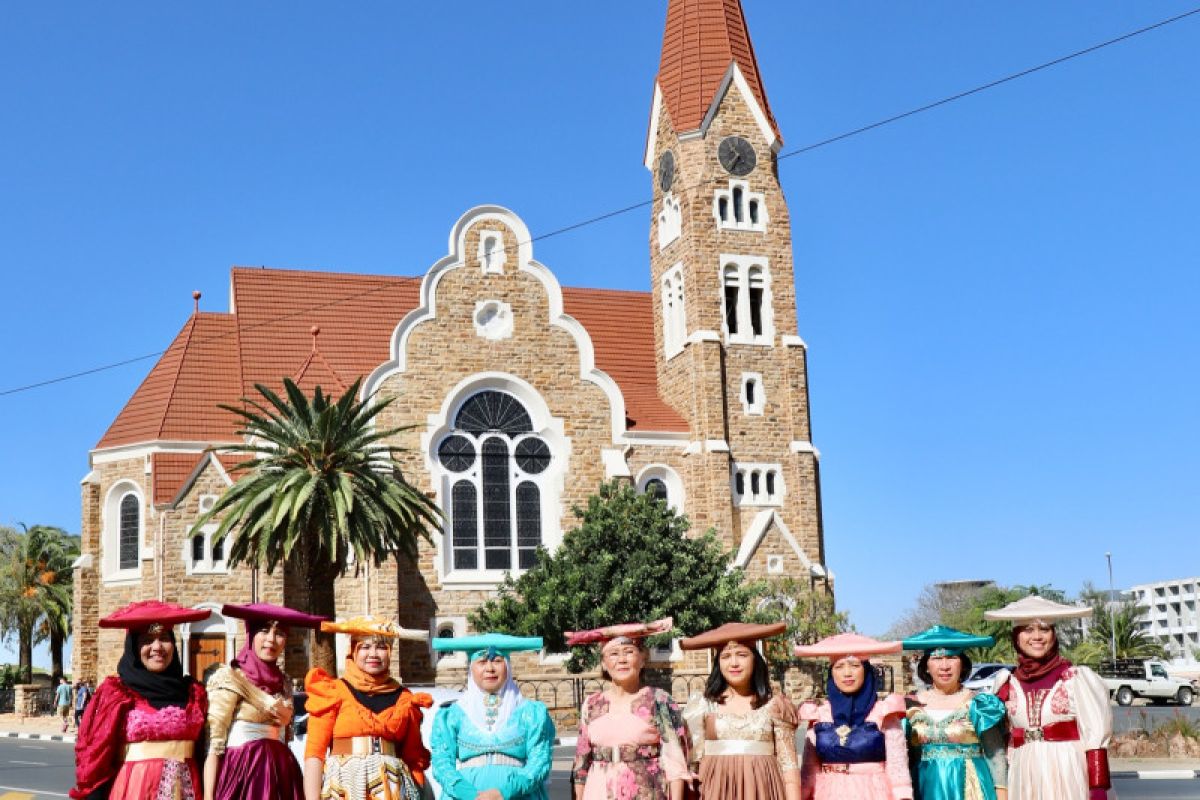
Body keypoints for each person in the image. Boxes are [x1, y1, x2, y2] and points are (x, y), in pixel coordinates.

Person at [71, 600, 211, 800]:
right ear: (134, 648)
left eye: (164, 638)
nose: (157, 647)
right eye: (147, 640)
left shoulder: (193, 693)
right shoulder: (116, 694)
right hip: (133, 791)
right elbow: (96, 759)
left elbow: (204, 754)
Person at [983, 595, 1113, 800]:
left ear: (1053, 636)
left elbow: (1095, 734)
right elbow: (1001, 738)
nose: (1037, 636)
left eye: (1044, 629)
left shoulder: (1075, 678)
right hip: (1023, 774)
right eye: (1027, 629)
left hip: (1067, 771)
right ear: (1016, 637)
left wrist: (1098, 787)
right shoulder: (1006, 682)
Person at [203, 602, 328, 800]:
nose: (271, 639)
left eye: (279, 633)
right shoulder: (231, 678)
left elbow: (286, 737)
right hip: (243, 775)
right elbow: (214, 746)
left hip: (283, 775)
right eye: (263, 630)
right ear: (251, 634)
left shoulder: (285, 682)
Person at [303, 616, 434, 800]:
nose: (373, 654)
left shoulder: (405, 699)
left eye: (381, 647)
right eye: (365, 646)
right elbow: (314, 754)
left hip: (394, 790)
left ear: (390, 652)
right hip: (344, 788)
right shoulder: (332, 692)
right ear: (353, 650)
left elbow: (413, 758)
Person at [568, 617, 692, 800]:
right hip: (598, 792)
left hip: (646, 791)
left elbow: (676, 763)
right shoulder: (592, 704)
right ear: (603, 663)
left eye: (628, 652)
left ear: (643, 659)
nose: (622, 660)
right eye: (613, 654)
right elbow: (581, 763)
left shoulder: (659, 700)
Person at [679, 622, 801, 800]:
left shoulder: (773, 705)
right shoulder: (704, 705)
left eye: (742, 655)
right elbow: (691, 764)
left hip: (764, 791)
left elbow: (789, 766)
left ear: (755, 660)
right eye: (726, 656)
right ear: (718, 663)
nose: (734, 663)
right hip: (715, 791)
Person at [430, 633, 556, 799]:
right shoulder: (451, 716)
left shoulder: (532, 713)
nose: (489, 668)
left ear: (508, 666)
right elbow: (442, 764)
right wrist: (469, 794)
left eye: (497, 661)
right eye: (482, 662)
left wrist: (503, 793)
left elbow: (539, 763)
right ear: (471, 668)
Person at [794, 633, 913, 800]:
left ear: (866, 670)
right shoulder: (820, 714)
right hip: (828, 793)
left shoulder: (884, 712)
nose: (847, 673)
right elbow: (809, 768)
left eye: (854, 665)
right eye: (839, 667)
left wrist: (903, 796)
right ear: (831, 673)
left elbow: (897, 766)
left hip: (873, 793)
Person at [901, 626, 1007, 800]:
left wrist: (1002, 795)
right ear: (926, 666)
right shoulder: (910, 706)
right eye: (937, 659)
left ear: (962, 664)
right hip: (923, 787)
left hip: (971, 789)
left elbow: (996, 756)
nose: (944, 666)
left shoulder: (979, 704)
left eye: (951, 658)